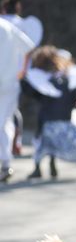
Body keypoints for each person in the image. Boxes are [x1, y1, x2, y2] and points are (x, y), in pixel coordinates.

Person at [21, 45, 76, 179]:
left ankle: (38, 169)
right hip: (64, 118)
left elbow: (33, 93)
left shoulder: (44, 79)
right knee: (54, 144)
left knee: (42, 145)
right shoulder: (71, 80)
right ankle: (52, 166)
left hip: (47, 119)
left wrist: (23, 80)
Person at [1, 0, 44, 156]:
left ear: (4, 9)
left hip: (8, 78)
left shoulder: (5, 24)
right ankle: (15, 144)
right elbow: (29, 49)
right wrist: (24, 70)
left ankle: (7, 153)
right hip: (14, 79)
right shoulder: (21, 25)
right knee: (10, 114)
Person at [0, 17, 34, 182]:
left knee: (4, 123)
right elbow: (29, 48)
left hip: (8, 83)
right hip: (10, 84)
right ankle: (6, 163)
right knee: (5, 122)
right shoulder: (9, 27)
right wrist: (23, 71)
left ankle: (5, 164)